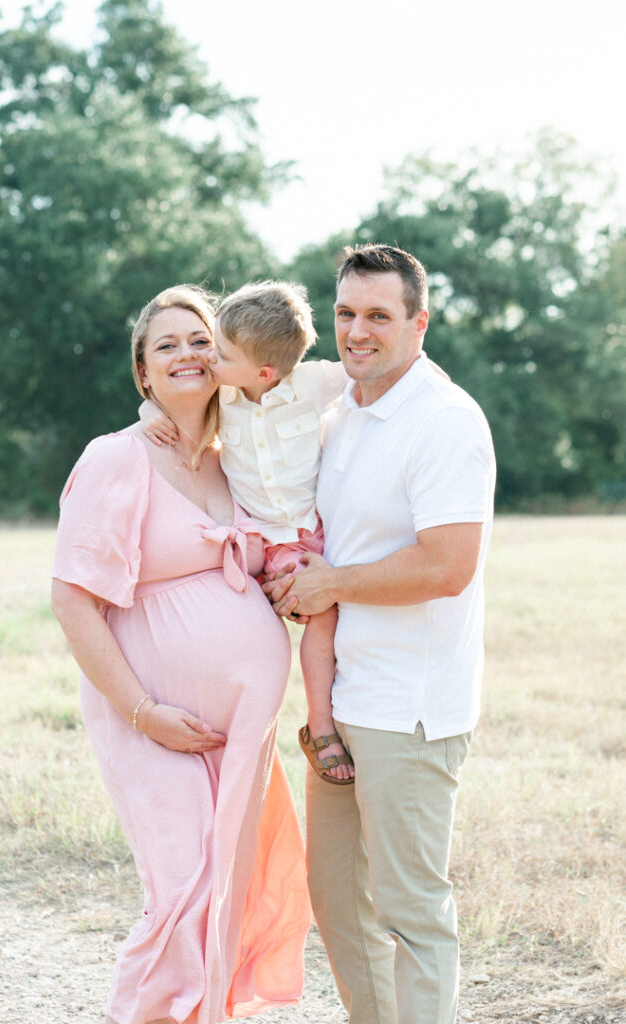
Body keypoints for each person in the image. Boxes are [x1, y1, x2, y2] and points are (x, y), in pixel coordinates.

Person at [51, 285, 310, 1024]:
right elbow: (73, 600)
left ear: (228, 357)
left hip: (238, 729)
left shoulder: (244, 459)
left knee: (226, 887)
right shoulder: (117, 458)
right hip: (150, 716)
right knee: (182, 890)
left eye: (201, 340)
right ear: (143, 374)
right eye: (166, 345)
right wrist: (144, 713)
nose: (188, 354)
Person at [265, 244, 497, 1024]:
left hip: (411, 708)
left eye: (377, 316)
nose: (356, 331)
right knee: (335, 901)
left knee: (408, 909)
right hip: (343, 701)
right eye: (344, 314)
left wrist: (331, 583)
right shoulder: (340, 414)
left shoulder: (444, 420)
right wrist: (299, 576)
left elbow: (447, 565)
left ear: (417, 323)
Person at [141, 281, 354, 783]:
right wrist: (149, 408)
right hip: (258, 536)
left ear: (263, 371)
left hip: (310, 531)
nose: (209, 358)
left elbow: (378, 373)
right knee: (288, 615)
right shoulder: (225, 390)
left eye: (220, 351)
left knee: (325, 621)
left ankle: (320, 722)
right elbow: (176, 398)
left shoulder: (314, 383)